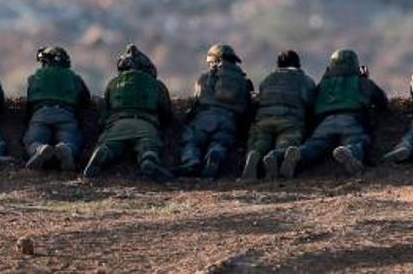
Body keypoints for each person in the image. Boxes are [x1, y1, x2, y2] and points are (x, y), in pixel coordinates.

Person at [280, 49, 387, 178]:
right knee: (359, 142)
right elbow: (382, 101)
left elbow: (313, 104)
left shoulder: (323, 84)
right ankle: (349, 152)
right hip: (351, 120)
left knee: (314, 146)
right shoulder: (362, 82)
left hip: (325, 123)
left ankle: (299, 154)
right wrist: (364, 79)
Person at [82, 44, 175, 183]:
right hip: (145, 124)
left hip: (118, 124)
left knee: (111, 145)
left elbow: (105, 114)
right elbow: (166, 112)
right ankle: (148, 160)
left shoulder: (113, 83)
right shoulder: (156, 85)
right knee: (148, 145)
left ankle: (103, 153)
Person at [178, 44, 254, 178]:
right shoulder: (243, 82)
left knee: (192, 141)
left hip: (205, 118)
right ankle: (215, 153)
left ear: (213, 60)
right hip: (229, 120)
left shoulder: (204, 78)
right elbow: (247, 109)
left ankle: (191, 160)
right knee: (220, 143)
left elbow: (196, 102)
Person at [242, 50, 316, 181]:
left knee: (259, 143)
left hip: (264, 120)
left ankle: (254, 155)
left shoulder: (268, 79)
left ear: (278, 65)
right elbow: (310, 102)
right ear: (298, 64)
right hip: (290, 121)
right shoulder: (305, 80)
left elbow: (259, 99)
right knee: (287, 143)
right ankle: (275, 156)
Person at [22, 46, 92, 171]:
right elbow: (86, 99)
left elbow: (29, 103)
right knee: (72, 140)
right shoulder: (75, 78)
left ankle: (39, 149)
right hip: (66, 114)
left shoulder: (34, 78)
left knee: (32, 141)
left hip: (41, 114)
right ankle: (67, 149)